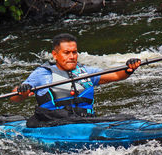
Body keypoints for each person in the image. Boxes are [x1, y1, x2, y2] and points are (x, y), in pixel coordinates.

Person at [10, 33, 141, 127]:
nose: (72, 56)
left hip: (86, 120)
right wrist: (22, 91)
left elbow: (117, 75)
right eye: (67, 53)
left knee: (126, 118)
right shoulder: (42, 74)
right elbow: (15, 97)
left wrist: (129, 68)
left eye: (74, 52)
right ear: (55, 55)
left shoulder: (86, 72)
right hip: (53, 123)